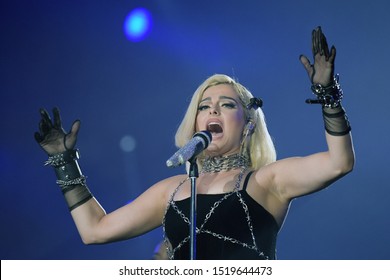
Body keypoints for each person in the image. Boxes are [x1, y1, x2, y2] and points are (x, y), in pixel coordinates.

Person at [35, 26, 354, 260]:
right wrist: (65, 163)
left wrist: (328, 97)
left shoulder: (266, 181)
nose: (213, 109)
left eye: (227, 105)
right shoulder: (171, 190)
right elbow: (94, 231)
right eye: (204, 106)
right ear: (195, 121)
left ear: (249, 124)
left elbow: (338, 163)